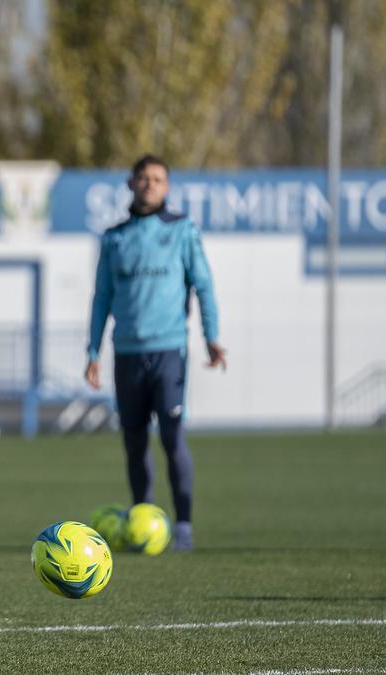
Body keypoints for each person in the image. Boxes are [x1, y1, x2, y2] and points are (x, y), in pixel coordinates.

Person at [84, 154, 227, 552]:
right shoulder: (114, 237)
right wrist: (93, 350)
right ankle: (143, 519)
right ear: (131, 184)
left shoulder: (181, 230)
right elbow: (102, 299)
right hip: (127, 354)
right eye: (143, 178)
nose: (149, 184)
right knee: (133, 442)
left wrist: (211, 336)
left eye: (158, 179)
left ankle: (182, 525)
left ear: (167, 187)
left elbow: (204, 285)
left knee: (171, 436)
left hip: (168, 353)